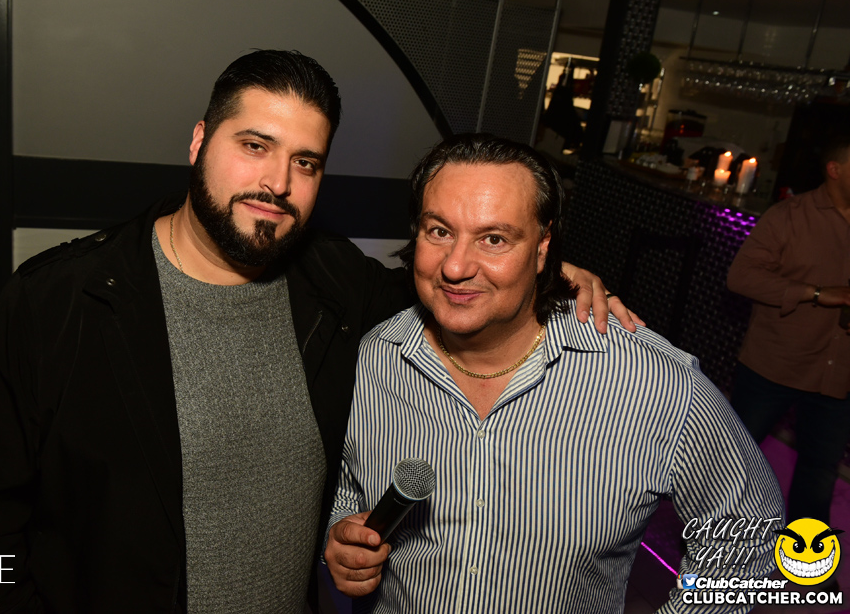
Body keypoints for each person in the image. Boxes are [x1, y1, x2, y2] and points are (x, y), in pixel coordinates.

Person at [0, 51, 632, 613]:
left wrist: (545, 273)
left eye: (305, 162)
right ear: (199, 141)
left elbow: (453, 286)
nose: (277, 182)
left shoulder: (334, 282)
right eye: (255, 145)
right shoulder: (58, 301)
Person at [325, 134, 784, 613]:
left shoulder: (651, 381)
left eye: (494, 239)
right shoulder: (376, 359)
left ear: (543, 248)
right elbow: (342, 487)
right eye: (439, 231)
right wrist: (340, 534)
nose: (455, 266)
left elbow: (749, 531)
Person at [727, 132, 850, 526]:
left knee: (819, 477)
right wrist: (815, 293)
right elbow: (741, 277)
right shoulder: (789, 216)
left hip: (837, 375)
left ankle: (807, 557)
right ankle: (708, 545)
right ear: (835, 170)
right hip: (774, 367)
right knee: (734, 466)